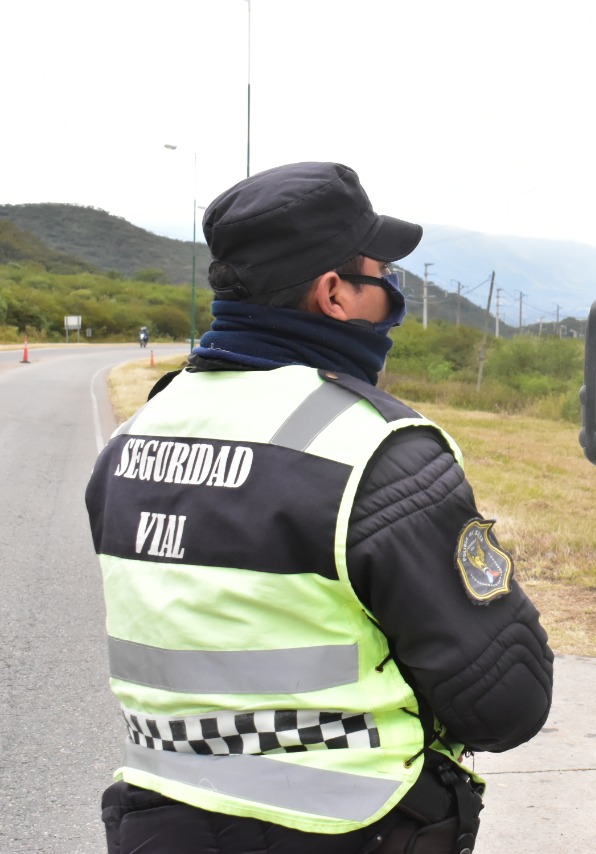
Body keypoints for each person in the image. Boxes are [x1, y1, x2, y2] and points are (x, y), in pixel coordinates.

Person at [85, 162, 555, 854]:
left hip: (159, 829)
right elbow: (505, 702)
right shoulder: (374, 449)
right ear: (334, 295)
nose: (391, 298)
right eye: (383, 279)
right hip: (353, 827)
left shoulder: (130, 441)